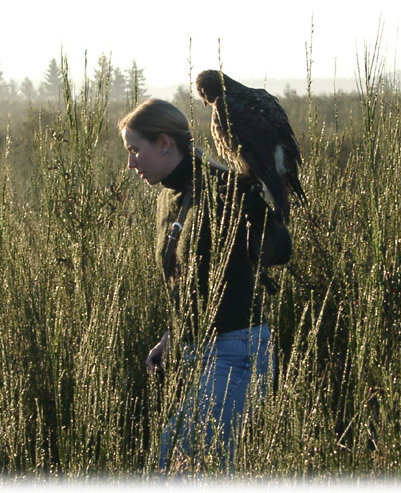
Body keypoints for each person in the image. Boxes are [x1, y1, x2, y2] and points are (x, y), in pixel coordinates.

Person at [118, 99, 292, 472]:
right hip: (197, 352)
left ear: (165, 143)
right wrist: (172, 336)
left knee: (182, 469)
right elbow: (188, 283)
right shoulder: (169, 198)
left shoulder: (223, 189)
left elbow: (280, 249)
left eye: (135, 150)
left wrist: (256, 222)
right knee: (170, 466)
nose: (131, 164)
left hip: (237, 353)